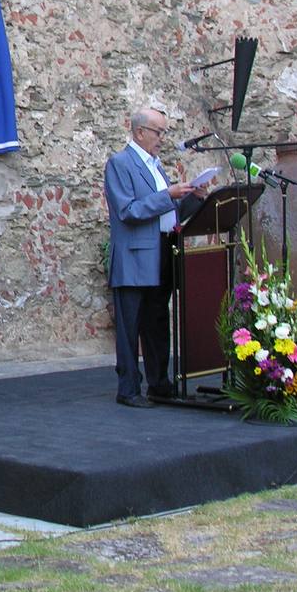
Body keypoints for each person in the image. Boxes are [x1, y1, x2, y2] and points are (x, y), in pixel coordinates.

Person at [104, 108, 208, 408]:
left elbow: (168, 214)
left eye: (163, 132)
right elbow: (129, 211)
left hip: (161, 251)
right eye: (158, 132)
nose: (162, 139)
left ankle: (159, 383)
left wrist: (192, 199)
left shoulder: (155, 166)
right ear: (139, 132)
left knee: (157, 321)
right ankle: (128, 388)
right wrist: (169, 195)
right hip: (135, 257)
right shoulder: (120, 163)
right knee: (130, 326)